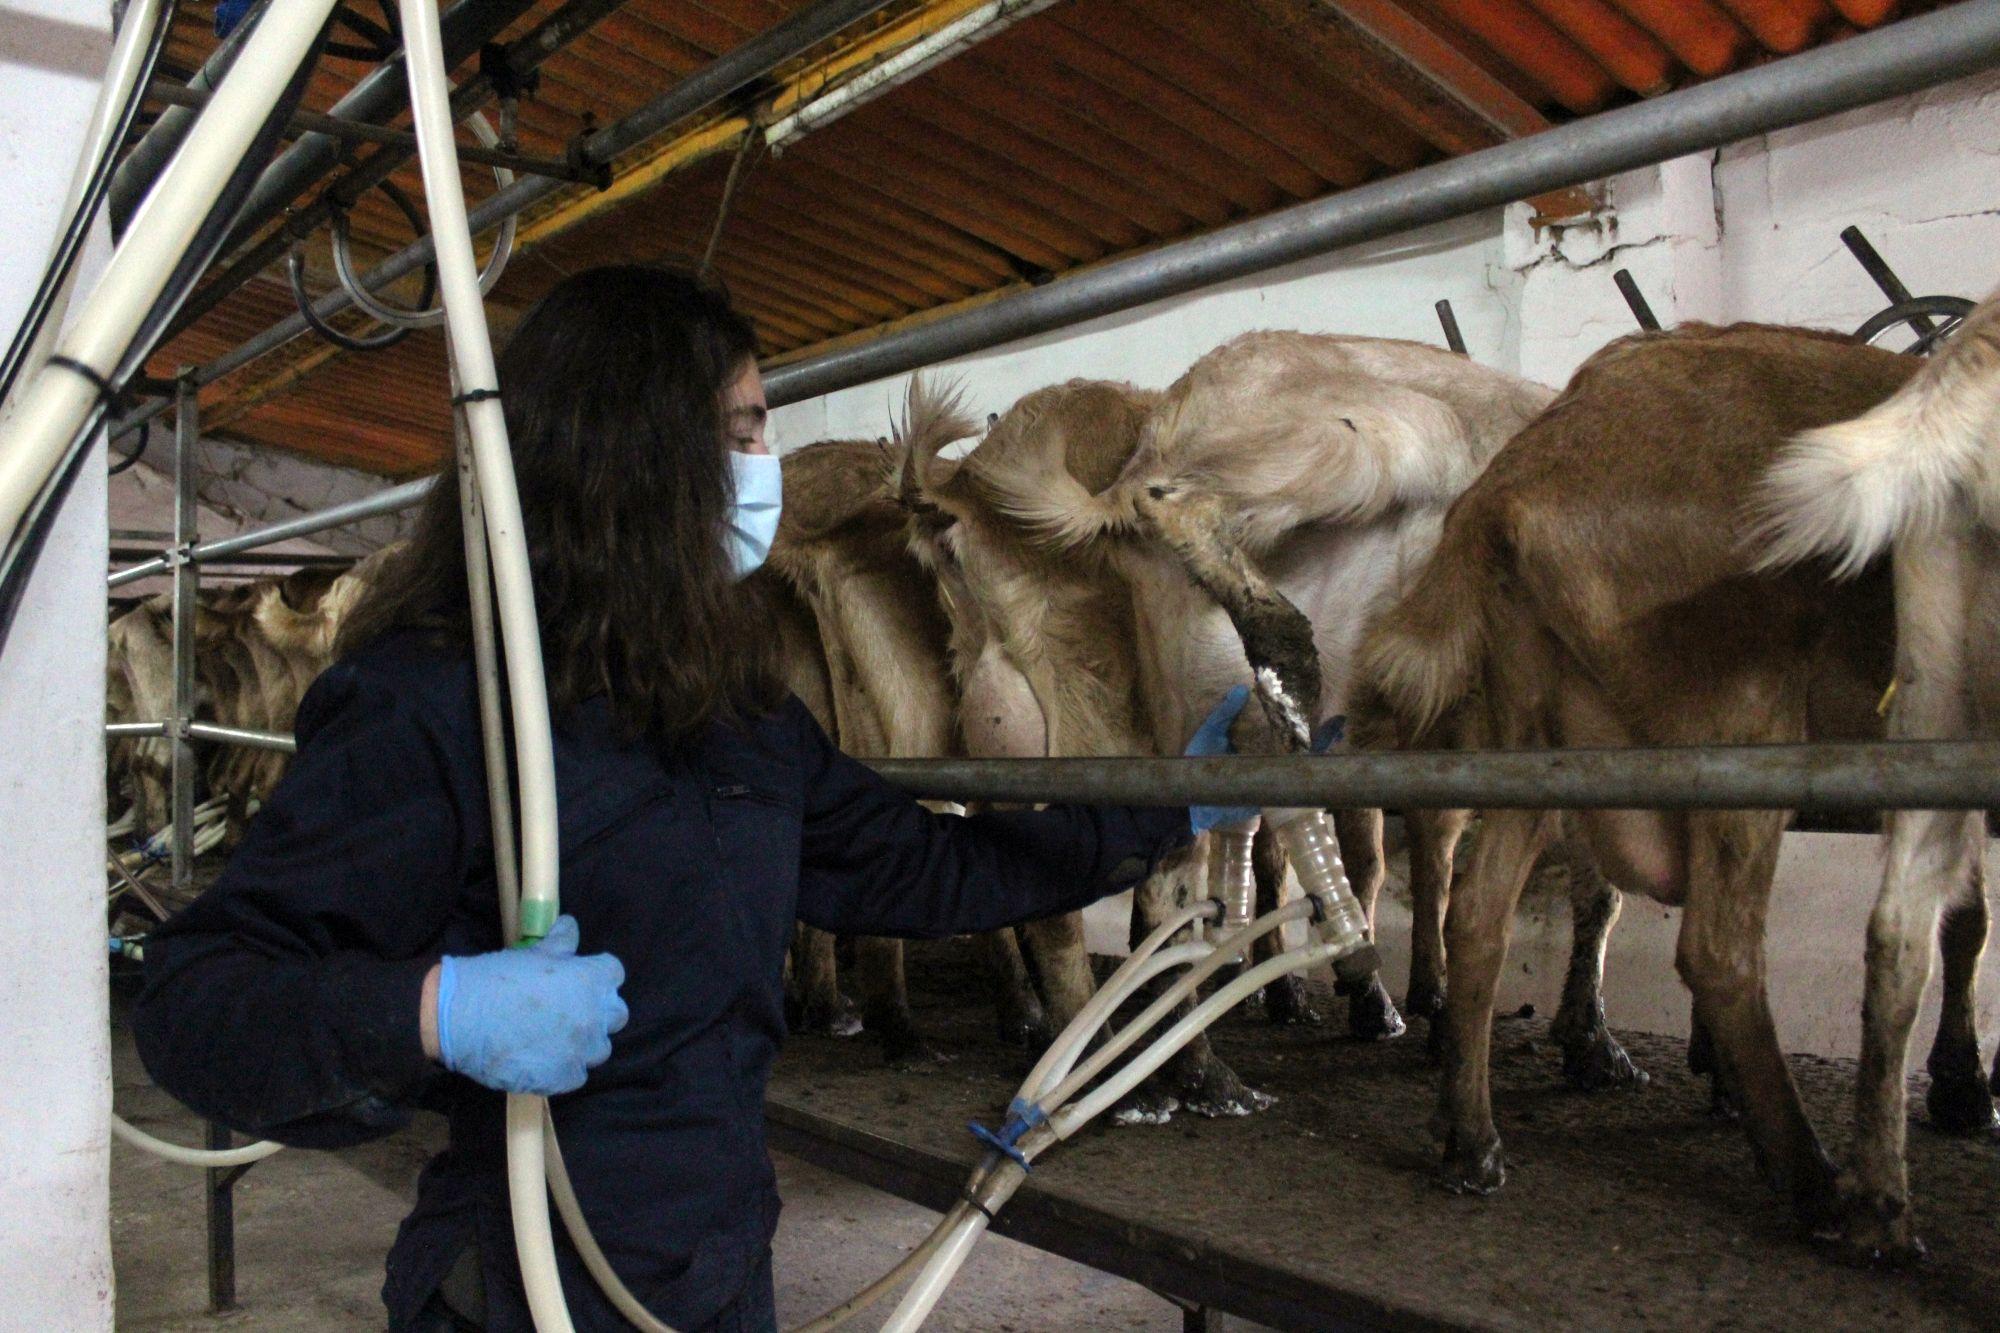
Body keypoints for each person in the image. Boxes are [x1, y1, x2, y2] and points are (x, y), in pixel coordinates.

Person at [132, 266, 1249, 1332]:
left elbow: (916, 865)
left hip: (716, 1263)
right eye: (743, 430)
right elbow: (203, 1000)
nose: (765, 466)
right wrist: (434, 1010)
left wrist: (1164, 809)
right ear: (632, 453)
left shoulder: (737, 713)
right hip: (525, 1273)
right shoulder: (434, 703)